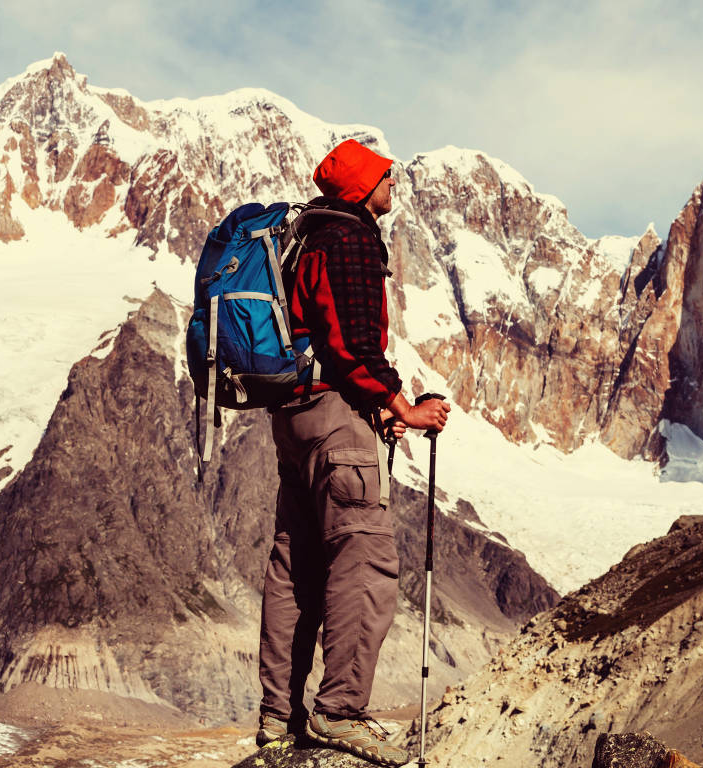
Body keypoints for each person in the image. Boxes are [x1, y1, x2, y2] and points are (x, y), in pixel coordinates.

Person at [256, 139, 451, 767]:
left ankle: (276, 718)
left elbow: (319, 335)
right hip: (335, 419)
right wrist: (401, 408)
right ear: (363, 185)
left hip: (293, 418)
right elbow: (352, 348)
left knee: (295, 564)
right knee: (365, 555)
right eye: (386, 176)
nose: (394, 183)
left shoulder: (302, 235)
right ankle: (341, 710)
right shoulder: (353, 239)